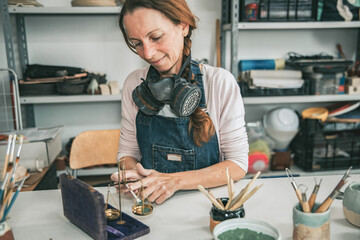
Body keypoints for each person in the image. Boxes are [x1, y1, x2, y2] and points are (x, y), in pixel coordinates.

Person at [111, 0, 248, 204]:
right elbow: (127, 153)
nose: (147, 54)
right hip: (152, 204)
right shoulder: (134, 84)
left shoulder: (220, 82)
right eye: (137, 43)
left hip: (207, 205)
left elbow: (238, 165)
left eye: (156, 37)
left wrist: (174, 181)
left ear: (183, 26)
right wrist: (131, 173)